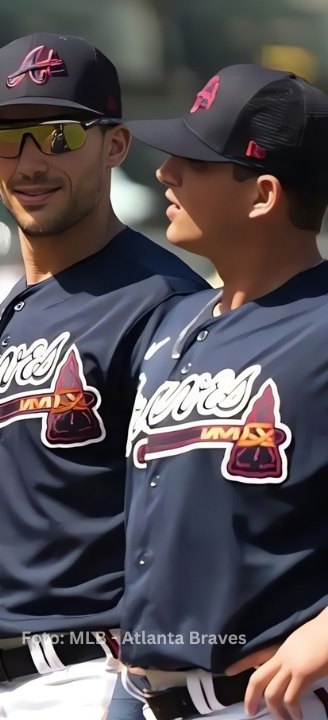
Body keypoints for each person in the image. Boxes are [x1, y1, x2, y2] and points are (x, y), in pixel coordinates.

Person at [0, 33, 209, 720]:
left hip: (95, 677)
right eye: (10, 137)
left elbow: (187, 514)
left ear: (117, 144)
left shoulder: (165, 300)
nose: (31, 162)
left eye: (58, 135)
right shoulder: (18, 299)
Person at [118, 64, 328, 720]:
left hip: (271, 705)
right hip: (149, 698)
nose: (165, 173)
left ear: (263, 194)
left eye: (195, 161)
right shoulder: (172, 322)